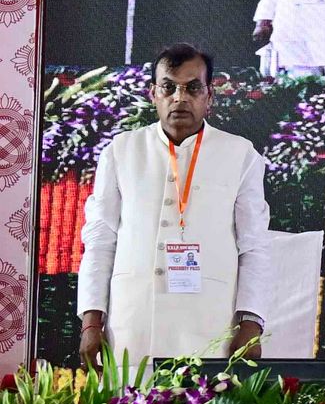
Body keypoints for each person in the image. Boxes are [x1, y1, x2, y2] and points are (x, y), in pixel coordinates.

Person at [77, 46, 269, 363]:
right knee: (130, 395)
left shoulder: (240, 154)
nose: (180, 98)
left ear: (209, 95)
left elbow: (255, 246)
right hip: (132, 324)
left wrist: (251, 322)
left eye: (192, 88)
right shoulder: (121, 151)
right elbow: (99, 241)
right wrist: (91, 321)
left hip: (209, 324)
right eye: (169, 87)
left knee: (205, 396)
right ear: (153, 93)